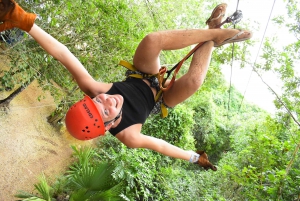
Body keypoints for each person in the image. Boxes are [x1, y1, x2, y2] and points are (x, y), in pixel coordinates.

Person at [0, 1, 252, 170]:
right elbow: (162, 146)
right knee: (194, 81)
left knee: (152, 40)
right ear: (109, 126)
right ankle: (213, 31)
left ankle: (213, 33)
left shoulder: (95, 89)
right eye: (107, 110)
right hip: (161, 99)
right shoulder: (129, 136)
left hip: (142, 76)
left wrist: (25, 22)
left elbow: (64, 55)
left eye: (99, 101)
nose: (109, 99)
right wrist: (196, 157)